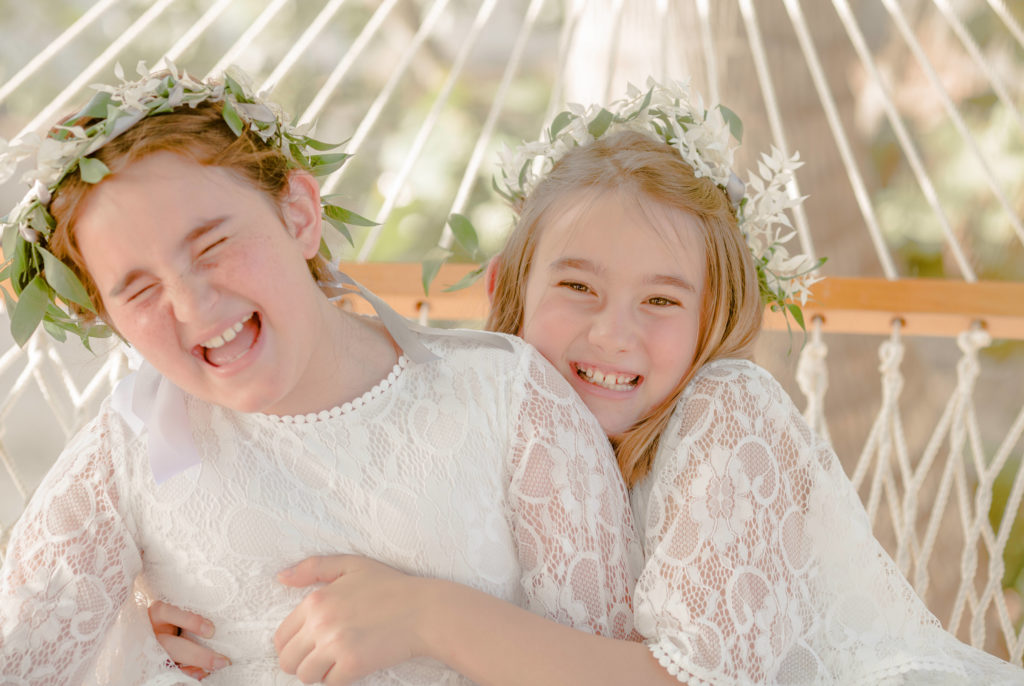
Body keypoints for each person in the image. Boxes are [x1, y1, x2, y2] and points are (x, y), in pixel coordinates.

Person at [157, 80, 1024, 684]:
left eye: (660, 299)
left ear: (710, 318)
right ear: (505, 288)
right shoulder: (473, 414)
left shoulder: (730, 417)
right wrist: (189, 603)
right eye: (576, 287)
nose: (615, 331)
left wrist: (426, 617)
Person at [0, 64, 643, 685]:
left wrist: (432, 616)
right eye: (139, 290)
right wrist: (127, 640)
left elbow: (611, 662)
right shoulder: (125, 455)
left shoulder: (505, 397)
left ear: (299, 216)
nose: (193, 306)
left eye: (213, 246)